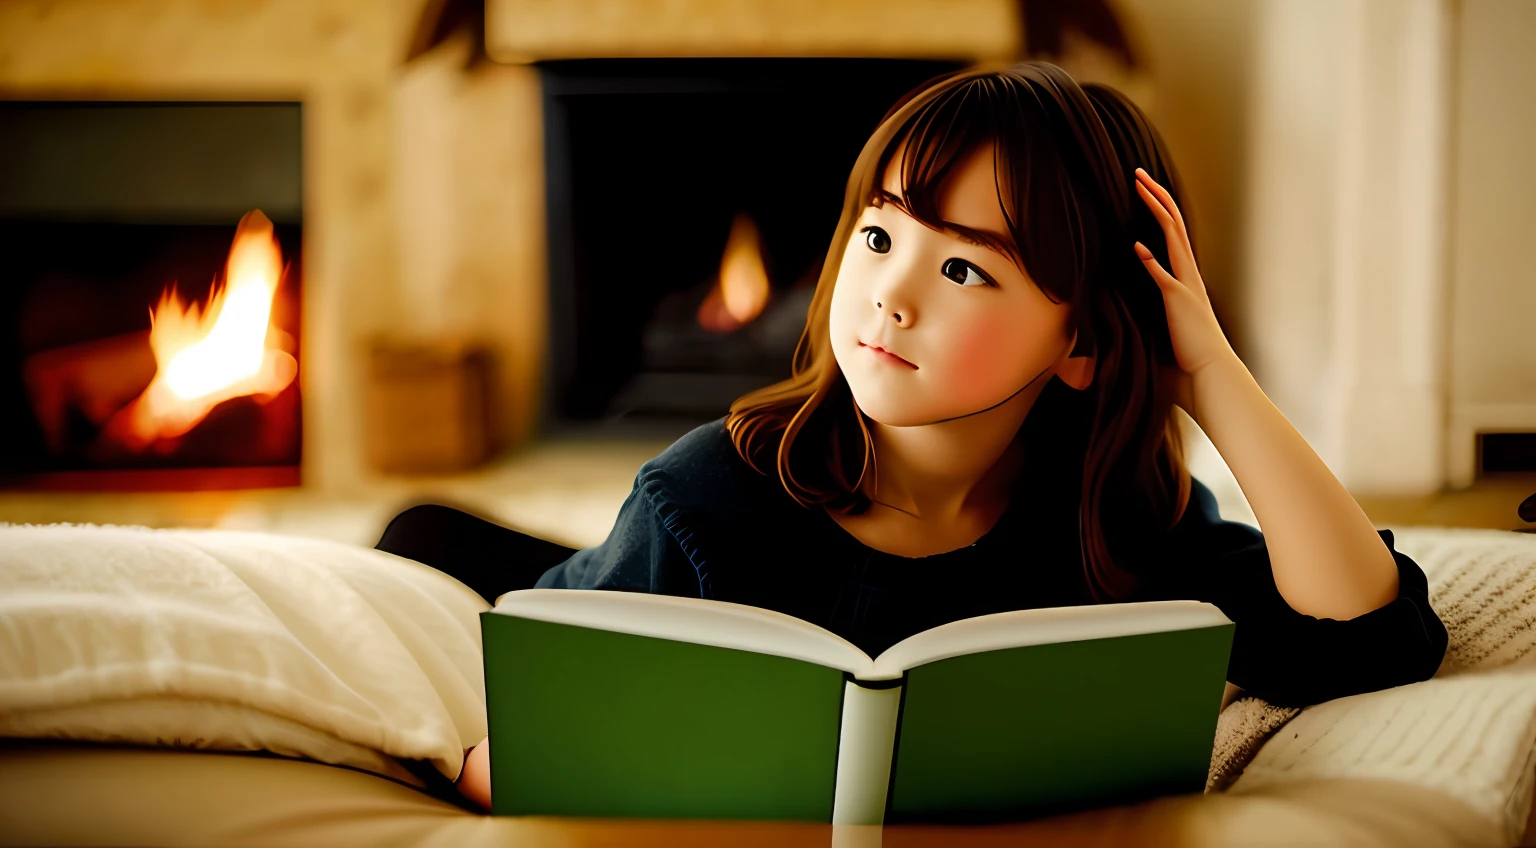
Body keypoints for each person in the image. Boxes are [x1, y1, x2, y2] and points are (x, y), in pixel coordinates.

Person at [380, 62, 1449, 813]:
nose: (889, 296)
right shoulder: (705, 496)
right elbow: (515, 752)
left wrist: (1210, 376)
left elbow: (1370, 634)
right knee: (481, 560)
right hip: (642, 568)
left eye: (964, 268)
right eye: (881, 234)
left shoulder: (1114, 526)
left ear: (1079, 342)